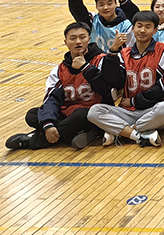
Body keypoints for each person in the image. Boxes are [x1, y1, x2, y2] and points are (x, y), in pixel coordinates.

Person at [5, 22, 125, 150]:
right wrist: (48, 125)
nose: (78, 42)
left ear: (89, 39)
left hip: (93, 113)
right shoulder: (59, 70)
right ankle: (77, 134)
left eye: (82, 37)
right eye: (73, 38)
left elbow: (105, 89)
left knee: (81, 115)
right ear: (66, 42)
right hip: (68, 114)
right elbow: (51, 99)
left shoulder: (101, 61)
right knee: (32, 115)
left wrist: (85, 68)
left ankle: (34, 140)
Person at [87, 11, 164, 148]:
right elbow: (112, 80)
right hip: (128, 111)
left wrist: (135, 100)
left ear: (155, 30)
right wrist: (113, 51)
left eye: (148, 27)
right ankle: (139, 135)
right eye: (139, 26)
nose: (142, 30)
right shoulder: (124, 53)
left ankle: (121, 132)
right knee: (94, 111)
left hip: (153, 109)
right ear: (133, 29)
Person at [67, 0, 135, 53]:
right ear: (96, 7)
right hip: (95, 60)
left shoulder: (126, 26)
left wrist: (124, 1)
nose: (105, 7)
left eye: (109, 4)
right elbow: (77, 9)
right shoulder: (93, 20)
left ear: (116, 4)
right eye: (101, 5)